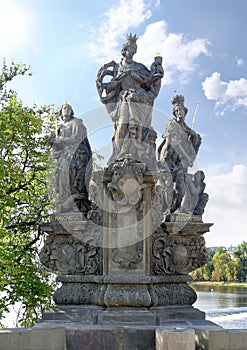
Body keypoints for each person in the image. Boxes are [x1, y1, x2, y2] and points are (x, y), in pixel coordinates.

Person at [96, 33, 163, 170]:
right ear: (124, 51)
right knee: (121, 126)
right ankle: (118, 154)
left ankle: (136, 154)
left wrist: (157, 68)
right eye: (130, 49)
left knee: (136, 126)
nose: (132, 52)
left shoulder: (139, 67)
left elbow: (151, 80)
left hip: (138, 99)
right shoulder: (117, 68)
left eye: (134, 50)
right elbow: (110, 86)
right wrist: (112, 83)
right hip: (123, 100)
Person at [158, 94, 202, 214]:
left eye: (180, 110)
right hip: (169, 158)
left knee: (180, 185)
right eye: (176, 111)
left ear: (184, 111)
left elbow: (194, 140)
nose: (178, 112)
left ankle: (176, 208)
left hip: (179, 160)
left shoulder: (185, 127)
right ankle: (165, 210)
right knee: (168, 185)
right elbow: (176, 144)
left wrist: (193, 135)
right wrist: (187, 157)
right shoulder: (171, 124)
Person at [49, 102, 92, 214]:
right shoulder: (60, 127)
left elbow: (78, 138)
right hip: (64, 155)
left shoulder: (76, 122)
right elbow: (57, 146)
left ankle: (76, 198)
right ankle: (64, 200)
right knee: (62, 175)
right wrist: (53, 142)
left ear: (72, 112)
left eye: (69, 108)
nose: (67, 110)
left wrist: (62, 140)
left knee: (72, 174)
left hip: (77, 154)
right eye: (65, 108)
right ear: (61, 111)